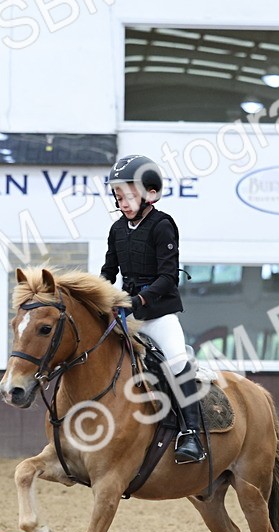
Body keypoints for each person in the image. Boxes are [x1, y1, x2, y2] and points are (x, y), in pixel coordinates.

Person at [102, 154, 205, 464]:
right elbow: (109, 272)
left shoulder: (162, 225)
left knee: (176, 361)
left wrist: (139, 300)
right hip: (127, 311)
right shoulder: (117, 230)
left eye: (129, 194)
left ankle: (192, 434)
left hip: (157, 313)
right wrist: (100, 297)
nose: (123, 201)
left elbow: (167, 277)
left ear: (149, 192)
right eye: (119, 195)